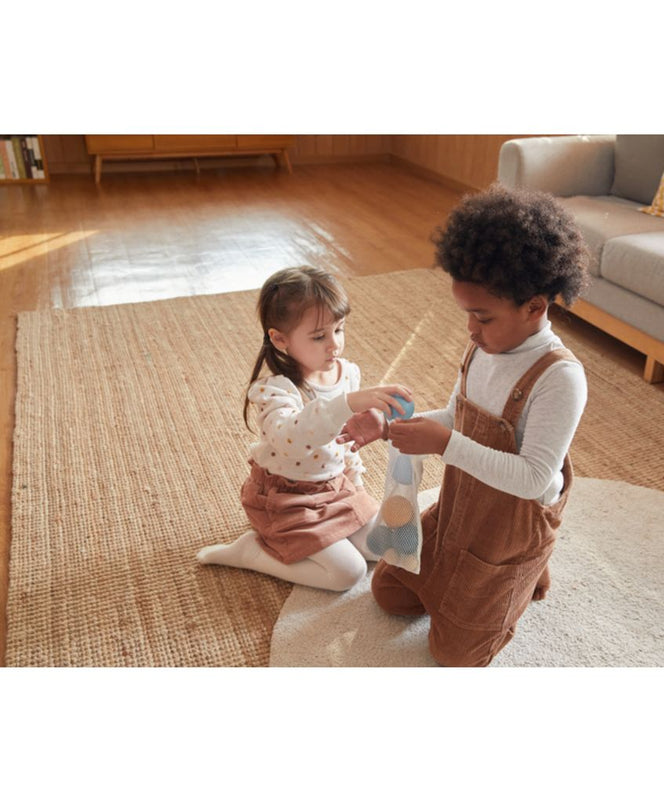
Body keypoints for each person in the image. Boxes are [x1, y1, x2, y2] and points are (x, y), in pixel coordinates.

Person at [370, 184, 589, 666]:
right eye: (467, 314)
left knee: (455, 656)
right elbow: (455, 418)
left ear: (535, 306)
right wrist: (389, 428)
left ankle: (527, 568)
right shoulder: (484, 348)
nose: (471, 329)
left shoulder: (560, 378)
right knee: (388, 592)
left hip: (508, 528)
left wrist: (444, 443)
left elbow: (535, 479)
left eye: (483, 317)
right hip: (460, 509)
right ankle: (481, 581)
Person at [197, 265, 412, 592]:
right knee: (347, 574)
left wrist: (355, 485)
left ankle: (329, 533)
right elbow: (292, 439)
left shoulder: (346, 373)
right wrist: (347, 403)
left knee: (383, 546)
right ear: (280, 339)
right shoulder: (276, 390)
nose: (334, 345)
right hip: (287, 500)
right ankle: (253, 552)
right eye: (318, 336)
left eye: (339, 329)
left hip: (334, 490)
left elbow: (346, 441)